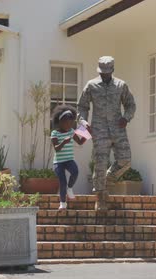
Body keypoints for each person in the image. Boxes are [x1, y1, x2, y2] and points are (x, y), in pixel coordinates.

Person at [78, 56, 136, 211]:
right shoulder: (91, 85)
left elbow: (130, 105)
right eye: (102, 73)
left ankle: (109, 179)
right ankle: (100, 198)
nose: (104, 75)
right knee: (100, 165)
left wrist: (126, 118)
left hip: (118, 128)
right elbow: (82, 107)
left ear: (112, 71)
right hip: (99, 130)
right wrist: (84, 123)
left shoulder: (121, 85)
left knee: (125, 160)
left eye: (106, 72)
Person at [51, 106, 87, 210]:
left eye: (71, 123)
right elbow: (57, 149)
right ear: (60, 121)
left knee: (75, 172)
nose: (69, 125)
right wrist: (63, 142)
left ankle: (70, 188)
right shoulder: (55, 133)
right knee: (63, 182)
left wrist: (87, 134)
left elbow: (80, 142)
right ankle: (63, 203)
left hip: (69, 160)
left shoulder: (71, 131)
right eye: (66, 123)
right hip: (58, 162)